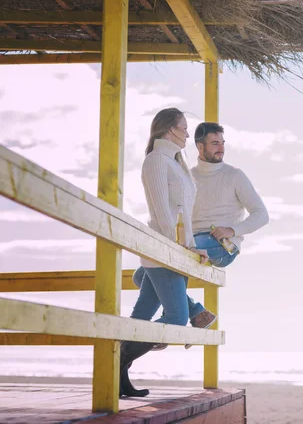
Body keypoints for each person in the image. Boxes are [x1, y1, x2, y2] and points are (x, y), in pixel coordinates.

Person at [132, 121, 269, 349]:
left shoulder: (235, 175)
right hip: (190, 241)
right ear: (199, 146)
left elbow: (261, 214)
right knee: (141, 275)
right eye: (215, 143)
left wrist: (232, 230)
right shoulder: (187, 176)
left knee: (164, 271)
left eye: (222, 143)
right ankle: (196, 312)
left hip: (221, 244)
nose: (221, 148)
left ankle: (180, 319)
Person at [120, 108, 212, 398]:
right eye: (184, 128)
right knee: (175, 317)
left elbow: (182, 212)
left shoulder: (175, 162)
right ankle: (115, 361)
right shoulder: (156, 161)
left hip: (176, 250)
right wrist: (180, 248)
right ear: (169, 129)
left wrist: (189, 246)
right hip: (163, 250)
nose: (187, 134)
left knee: (143, 313)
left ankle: (117, 374)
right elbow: (162, 212)